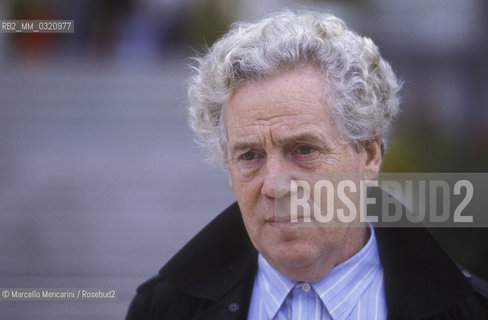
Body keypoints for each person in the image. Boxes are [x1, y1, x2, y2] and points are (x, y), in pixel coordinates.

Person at [126, 11, 488, 319]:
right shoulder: (163, 309)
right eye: (249, 155)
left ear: (370, 155)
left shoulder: (469, 309)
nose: (275, 185)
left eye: (304, 150)